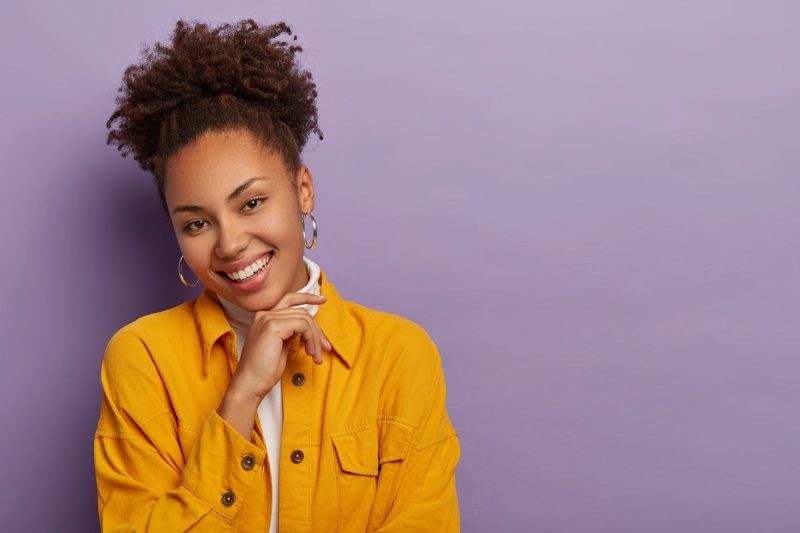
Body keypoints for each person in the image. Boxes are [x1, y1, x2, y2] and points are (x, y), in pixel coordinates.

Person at [93, 18, 461, 532]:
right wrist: (242, 394)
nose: (229, 243)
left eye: (252, 202)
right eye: (197, 222)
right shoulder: (142, 360)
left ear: (303, 190)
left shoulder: (399, 357)